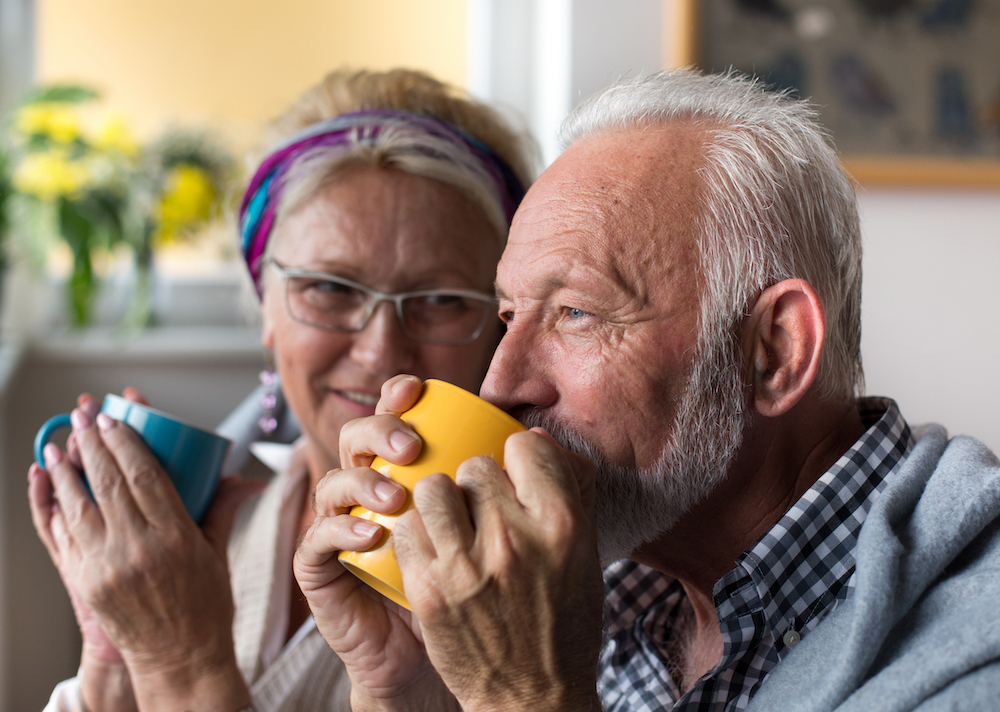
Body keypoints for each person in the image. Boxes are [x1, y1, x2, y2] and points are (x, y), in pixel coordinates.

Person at [294, 68, 1000, 711]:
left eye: (576, 313)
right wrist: (420, 688)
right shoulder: (621, 595)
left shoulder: (973, 648)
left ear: (775, 352)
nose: (498, 384)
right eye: (509, 315)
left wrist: (528, 694)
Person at [28, 68, 535, 712]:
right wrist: (112, 660)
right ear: (265, 307)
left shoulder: (527, 594)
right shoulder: (210, 533)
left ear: (500, 322)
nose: (380, 349)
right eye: (329, 288)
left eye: (438, 299)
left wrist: (177, 661)